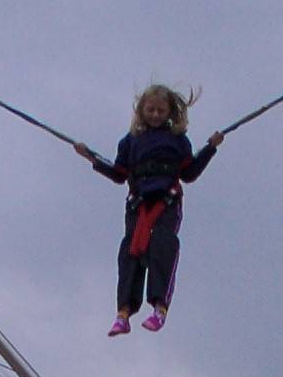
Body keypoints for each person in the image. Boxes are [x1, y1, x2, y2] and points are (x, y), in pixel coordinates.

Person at [75, 84, 223, 336]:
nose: (155, 114)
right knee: (131, 252)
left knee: (161, 247)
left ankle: (159, 307)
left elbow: (189, 173)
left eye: (160, 110)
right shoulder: (130, 142)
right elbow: (119, 174)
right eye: (150, 110)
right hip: (138, 204)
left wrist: (210, 148)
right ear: (142, 111)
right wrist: (92, 159)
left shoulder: (177, 141)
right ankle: (123, 312)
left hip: (166, 202)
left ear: (169, 113)